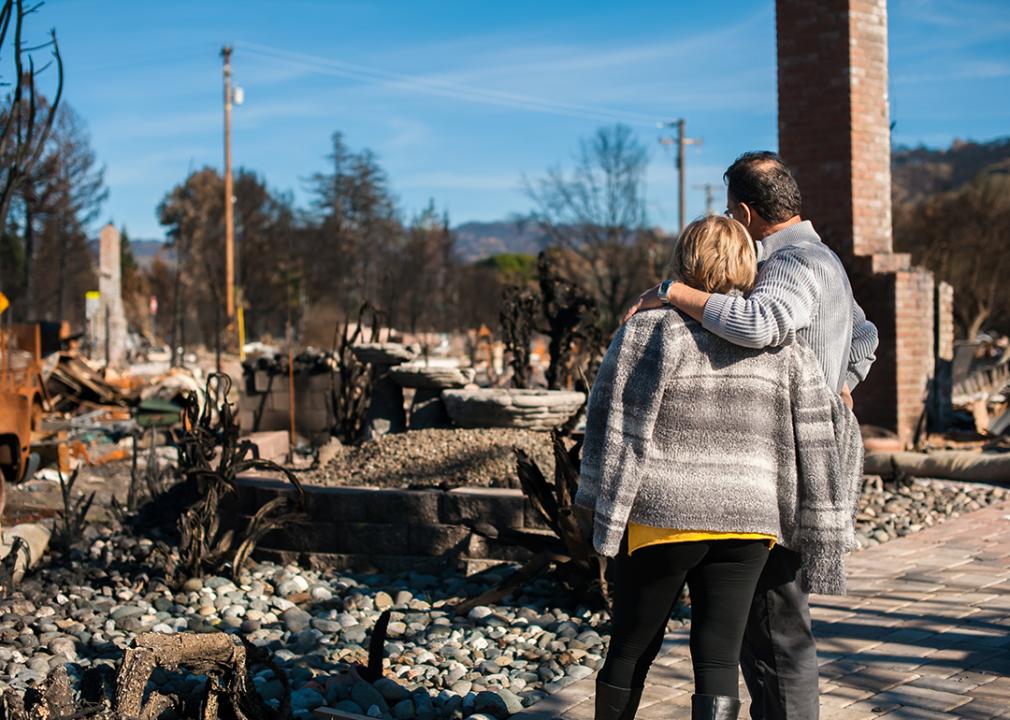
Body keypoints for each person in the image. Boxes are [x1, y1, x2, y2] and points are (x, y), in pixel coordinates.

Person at [623, 152, 879, 720]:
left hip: (788, 455)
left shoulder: (788, 265)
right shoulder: (825, 259)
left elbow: (759, 324)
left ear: (743, 210)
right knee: (773, 618)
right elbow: (865, 333)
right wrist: (842, 383)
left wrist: (672, 292)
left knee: (774, 624)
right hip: (805, 446)